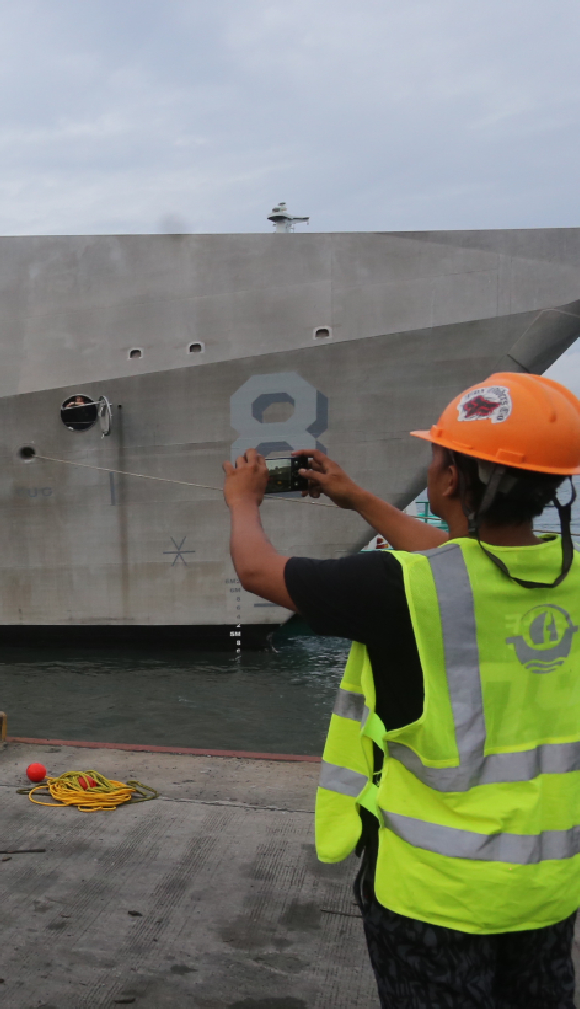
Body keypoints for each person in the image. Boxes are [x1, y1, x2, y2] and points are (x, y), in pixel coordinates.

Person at [223, 372, 580, 1006]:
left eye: (438, 454)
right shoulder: (569, 578)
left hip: (433, 896)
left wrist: (243, 501)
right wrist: (357, 497)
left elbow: (257, 571)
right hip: (547, 889)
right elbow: (460, 558)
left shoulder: (397, 588)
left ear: (449, 479)